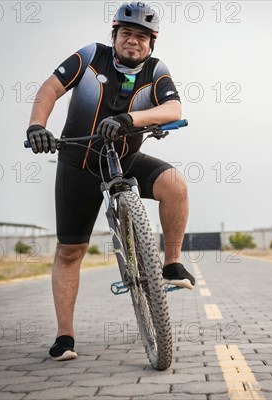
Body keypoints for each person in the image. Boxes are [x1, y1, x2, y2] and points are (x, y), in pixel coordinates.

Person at [26, 2, 195, 361]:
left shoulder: (155, 70)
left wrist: (129, 120)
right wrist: (37, 126)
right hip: (79, 164)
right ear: (114, 35)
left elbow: (174, 109)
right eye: (127, 34)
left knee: (175, 184)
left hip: (126, 159)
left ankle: (171, 263)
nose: (133, 42)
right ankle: (65, 337)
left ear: (151, 43)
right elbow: (50, 89)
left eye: (142, 37)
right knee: (70, 252)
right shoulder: (91, 56)